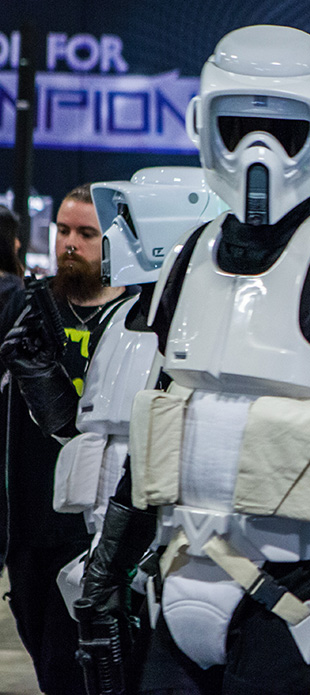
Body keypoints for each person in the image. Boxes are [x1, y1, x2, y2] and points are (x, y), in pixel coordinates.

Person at [76, 25, 310, 695]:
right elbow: (156, 432)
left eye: (281, 129)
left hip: (298, 602)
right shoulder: (186, 258)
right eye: (239, 126)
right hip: (179, 585)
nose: (258, 150)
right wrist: (105, 572)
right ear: (203, 122)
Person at [50, 167, 227, 624]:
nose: (114, 235)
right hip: (104, 539)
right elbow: (91, 431)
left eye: (128, 220)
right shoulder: (122, 315)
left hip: (176, 547)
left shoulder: (208, 319)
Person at [0, 185, 134, 695]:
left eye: (86, 233)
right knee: (47, 665)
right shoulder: (26, 310)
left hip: (92, 532)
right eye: (62, 230)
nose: (69, 243)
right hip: (29, 528)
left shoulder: (134, 322)